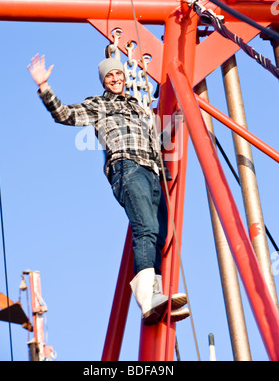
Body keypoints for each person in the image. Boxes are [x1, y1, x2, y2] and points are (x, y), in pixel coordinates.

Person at [27, 53, 189, 325]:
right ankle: (147, 297)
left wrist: (180, 116)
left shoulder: (139, 108)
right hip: (128, 168)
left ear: (124, 77)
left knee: (161, 235)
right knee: (146, 229)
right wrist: (44, 87)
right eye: (109, 76)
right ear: (104, 81)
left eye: (117, 74)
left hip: (152, 171)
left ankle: (156, 296)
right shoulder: (99, 104)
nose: (115, 79)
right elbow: (65, 115)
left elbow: (155, 140)